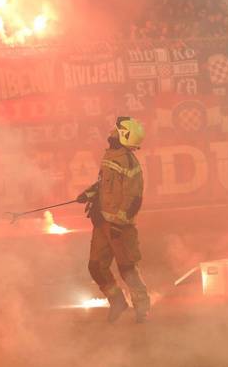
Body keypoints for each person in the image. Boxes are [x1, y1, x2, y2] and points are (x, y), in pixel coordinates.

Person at [76, 116, 150, 323]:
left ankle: (142, 309)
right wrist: (88, 194)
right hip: (102, 224)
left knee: (127, 269)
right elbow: (104, 185)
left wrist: (119, 224)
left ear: (124, 136)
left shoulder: (129, 163)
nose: (111, 132)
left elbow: (133, 200)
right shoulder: (111, 156)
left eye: (116, 130)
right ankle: (117, 301)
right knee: (96, 266)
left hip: (120, 228)